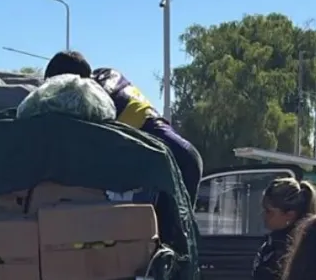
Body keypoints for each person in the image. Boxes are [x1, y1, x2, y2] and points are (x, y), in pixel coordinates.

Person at [43, 50, 204, 205]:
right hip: (169, 156)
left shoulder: (92, 98)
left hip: (174, 161)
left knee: (170, 227)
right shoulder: (105, 74)